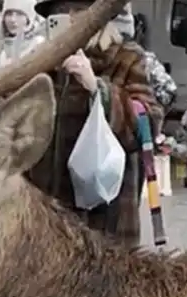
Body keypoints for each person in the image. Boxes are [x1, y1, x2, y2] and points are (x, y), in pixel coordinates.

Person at [29, 0, 163, 247]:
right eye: (59, 13)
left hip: (104, 217)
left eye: (75, 10)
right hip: (47, 213)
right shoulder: (41, 61)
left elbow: (149, 123)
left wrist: (97, 88)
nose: (68, 18)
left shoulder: (125, 57)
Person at [0, 0, 44, 66]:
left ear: (29, 18)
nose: (13, 20)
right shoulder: (3, 51)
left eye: (19, 14)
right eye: (9, 14)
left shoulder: (38, 44)